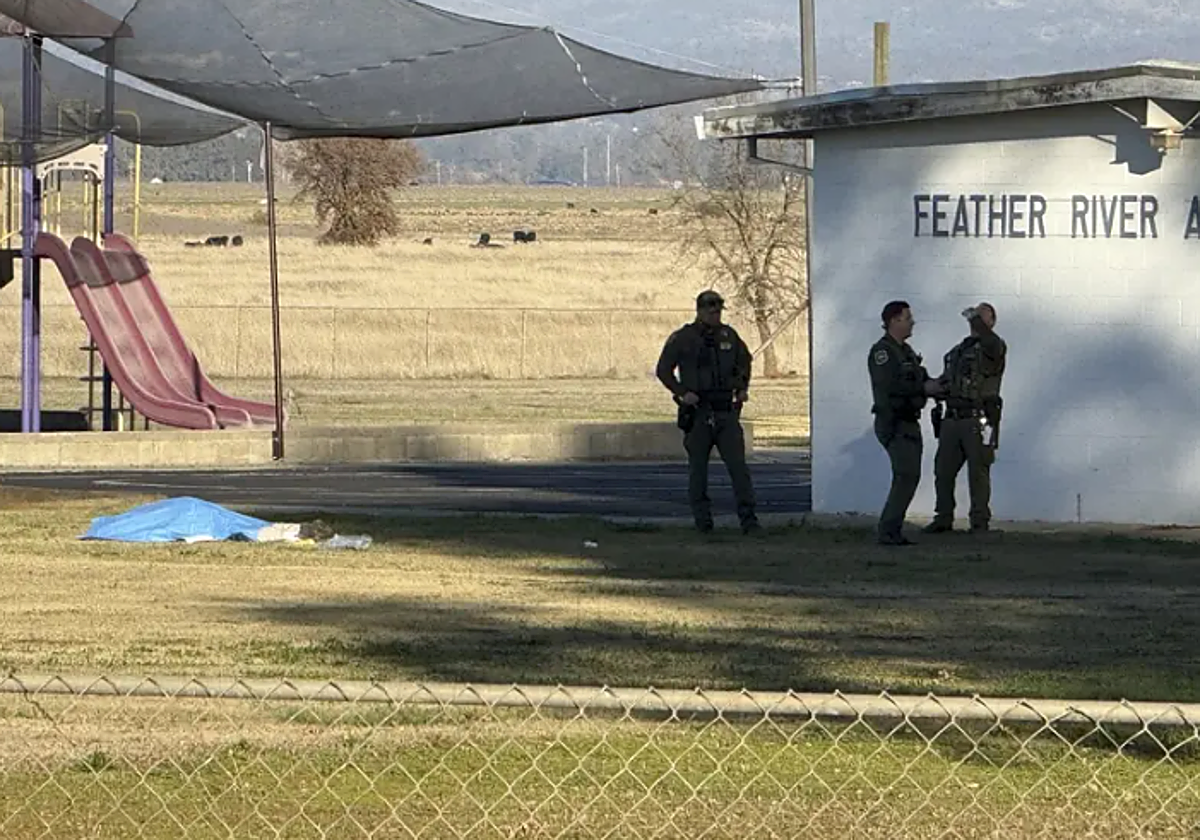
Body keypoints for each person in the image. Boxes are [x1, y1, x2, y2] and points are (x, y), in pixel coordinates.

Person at [656, 290, 759, 534]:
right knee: (698, 472)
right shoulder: (683, 338)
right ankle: (703, 522)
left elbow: (744, 362)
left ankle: (749, 520)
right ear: (700, 310)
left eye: (718, 310)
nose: (715, 315)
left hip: (725, 410)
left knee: (739, 469)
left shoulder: (729, 336)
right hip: (698, 412)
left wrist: (742, 387)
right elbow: (663, 370)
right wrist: (682, 392)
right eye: (710, 310)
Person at [924, 302, 1007, 534]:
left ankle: (979, 521)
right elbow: (948, 378)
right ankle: (943, 517)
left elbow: (991, 343)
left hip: (977, 418)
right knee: (943, 470)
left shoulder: (992, 348)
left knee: (978, 472)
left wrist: (975, 320)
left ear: (991, 322)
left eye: (983, 315)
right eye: (976, 315)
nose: (977, 319)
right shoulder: (957, 351)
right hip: (952, 417)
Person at [869, 300, 943, 546]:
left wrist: (939, 385)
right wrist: (922, 388)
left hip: (910, 421)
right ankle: (888, 531)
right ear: (894, 321)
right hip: (894, 421)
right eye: (907, 317)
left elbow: (920, 377)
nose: (912, 322)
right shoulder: (883, 352)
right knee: (905, 475)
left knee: (909, 476)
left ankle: (892, 530)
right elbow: (890, 385)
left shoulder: (907, 352)